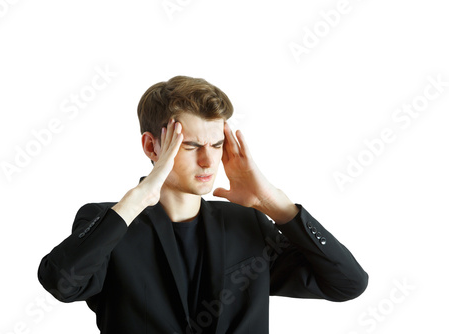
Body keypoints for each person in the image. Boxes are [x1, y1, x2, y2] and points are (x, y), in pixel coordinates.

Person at [37, 75, 368, 334]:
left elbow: (347, 283)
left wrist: (273, 202)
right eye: (192, 145)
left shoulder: (246, 224)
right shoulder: (107, 221)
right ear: (151, 146)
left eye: (217, 144)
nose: (210, 161)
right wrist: (136, 201)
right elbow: (63, 283)